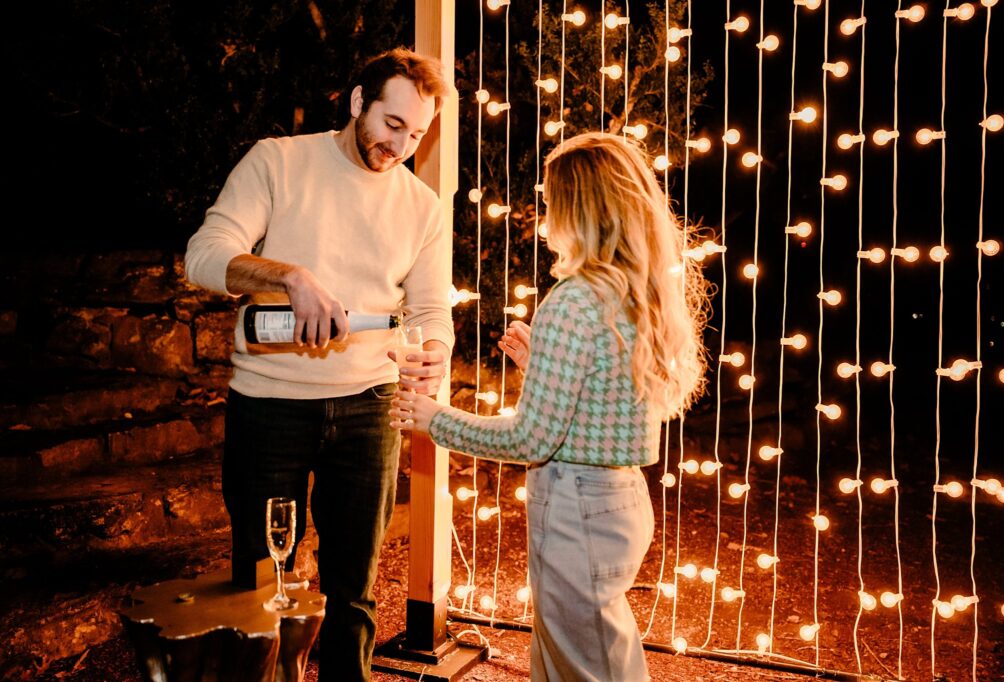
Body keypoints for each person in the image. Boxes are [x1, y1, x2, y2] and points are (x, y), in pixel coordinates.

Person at [390, 132, 708, 682]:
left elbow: (530, 441)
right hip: (621, 501)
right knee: (588, 661)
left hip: (576, 509)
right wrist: (541, 364)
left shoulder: (574, 299)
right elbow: (603, 403)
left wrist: (433, 420)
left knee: (586, 670)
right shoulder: (637, 292)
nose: (546, 220)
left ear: (580, 209)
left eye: (553, 204)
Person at [184, 48, 454, 681]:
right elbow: (204, 256)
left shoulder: (422, 207)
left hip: (370, 406)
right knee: (260, 577)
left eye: (417, 135)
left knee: (354, 589)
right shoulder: (278, 160)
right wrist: (289, 276)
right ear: (358, 101)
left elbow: (431, 311)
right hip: (269, 404)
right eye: (393, 125)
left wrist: (435, 350)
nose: (402, 146)